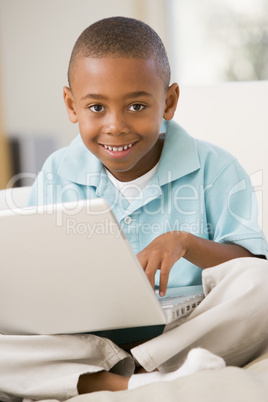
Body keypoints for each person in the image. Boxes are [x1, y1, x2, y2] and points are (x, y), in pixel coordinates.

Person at [1, 16, 268, 401]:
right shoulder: (58, 171)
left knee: (263, 286)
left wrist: (184, 243)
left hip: (186, 327)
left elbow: (250, 265)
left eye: (137, 105)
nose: (115, 126)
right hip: (84, 336)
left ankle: (144, 366)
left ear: (169, 102)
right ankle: (131, 380)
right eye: (96, 107)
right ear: (71, 105)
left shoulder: (217, 168)